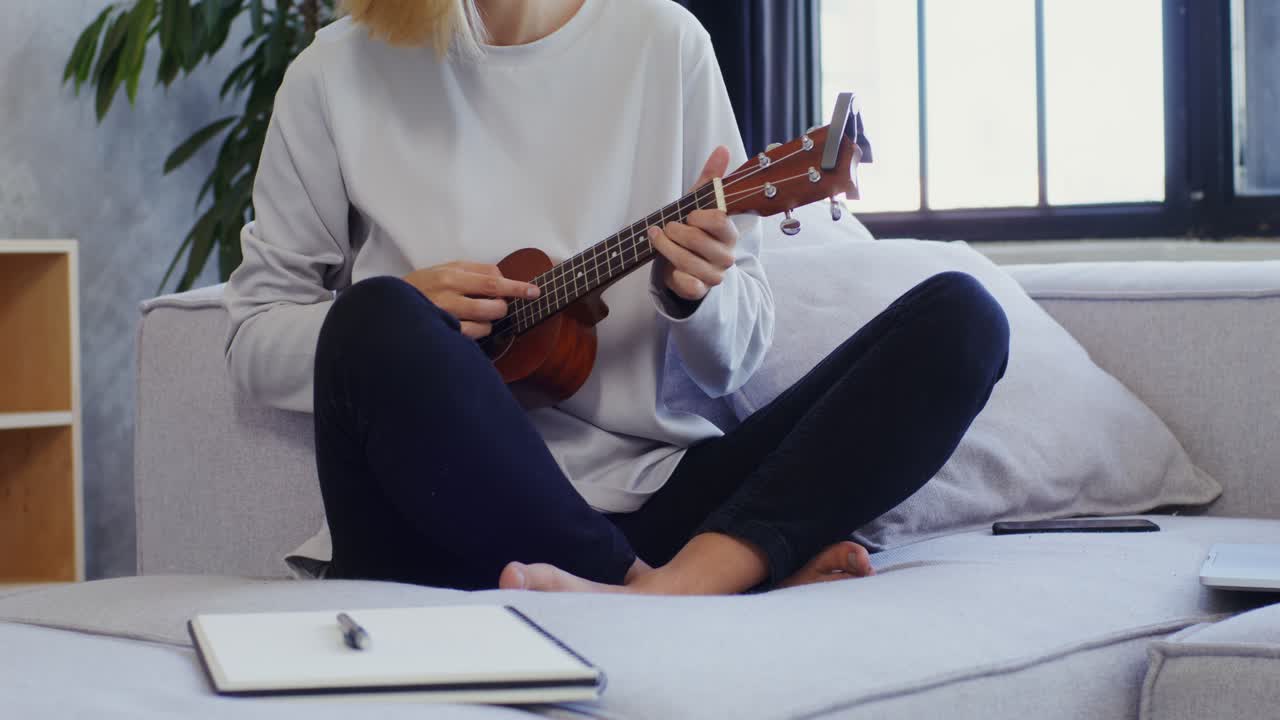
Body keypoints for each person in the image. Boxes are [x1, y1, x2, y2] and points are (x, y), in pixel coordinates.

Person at [223, 0, 1010, 595]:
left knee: (962, 321)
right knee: (379, 316)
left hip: (654, 501)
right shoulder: (334, 72)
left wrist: (695, 295)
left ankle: (684, 580)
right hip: (436, 520)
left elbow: (734, 360)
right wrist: (411, 312)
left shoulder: (664, 44)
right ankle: (666, 592)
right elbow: (256, 335)